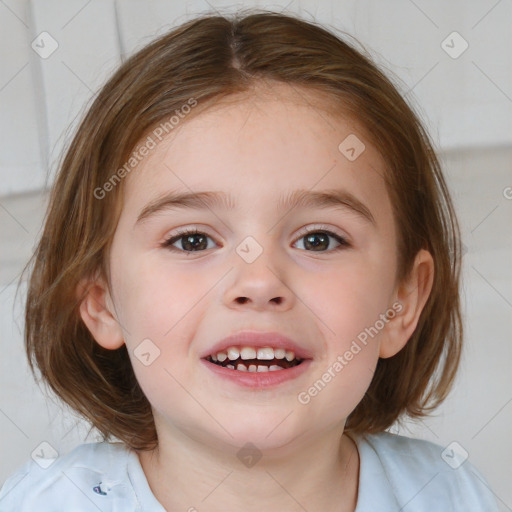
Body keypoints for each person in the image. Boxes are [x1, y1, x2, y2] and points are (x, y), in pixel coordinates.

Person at [0, 9, 499, 511]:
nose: (259, 283)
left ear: (402, 301)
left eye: (319, 240)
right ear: (102, 301)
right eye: (192, 241)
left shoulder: (449, 494)